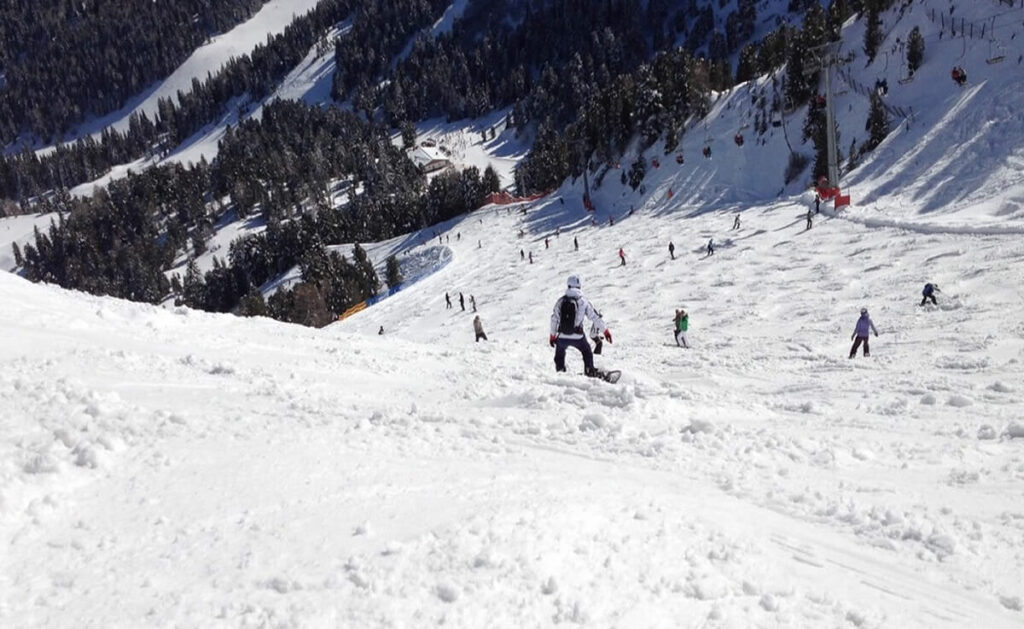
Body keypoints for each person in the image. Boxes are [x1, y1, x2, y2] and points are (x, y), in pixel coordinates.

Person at [549, 275, 612, 376]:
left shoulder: (561, 301)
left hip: (562, 336)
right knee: (586, 351)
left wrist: (552, 336)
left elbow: (554, 319)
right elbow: (595, 317)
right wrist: (606, 331)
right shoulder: (583, 301)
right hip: (578, 336)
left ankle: (560, 372)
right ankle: (589, 370)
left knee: (559, 354)